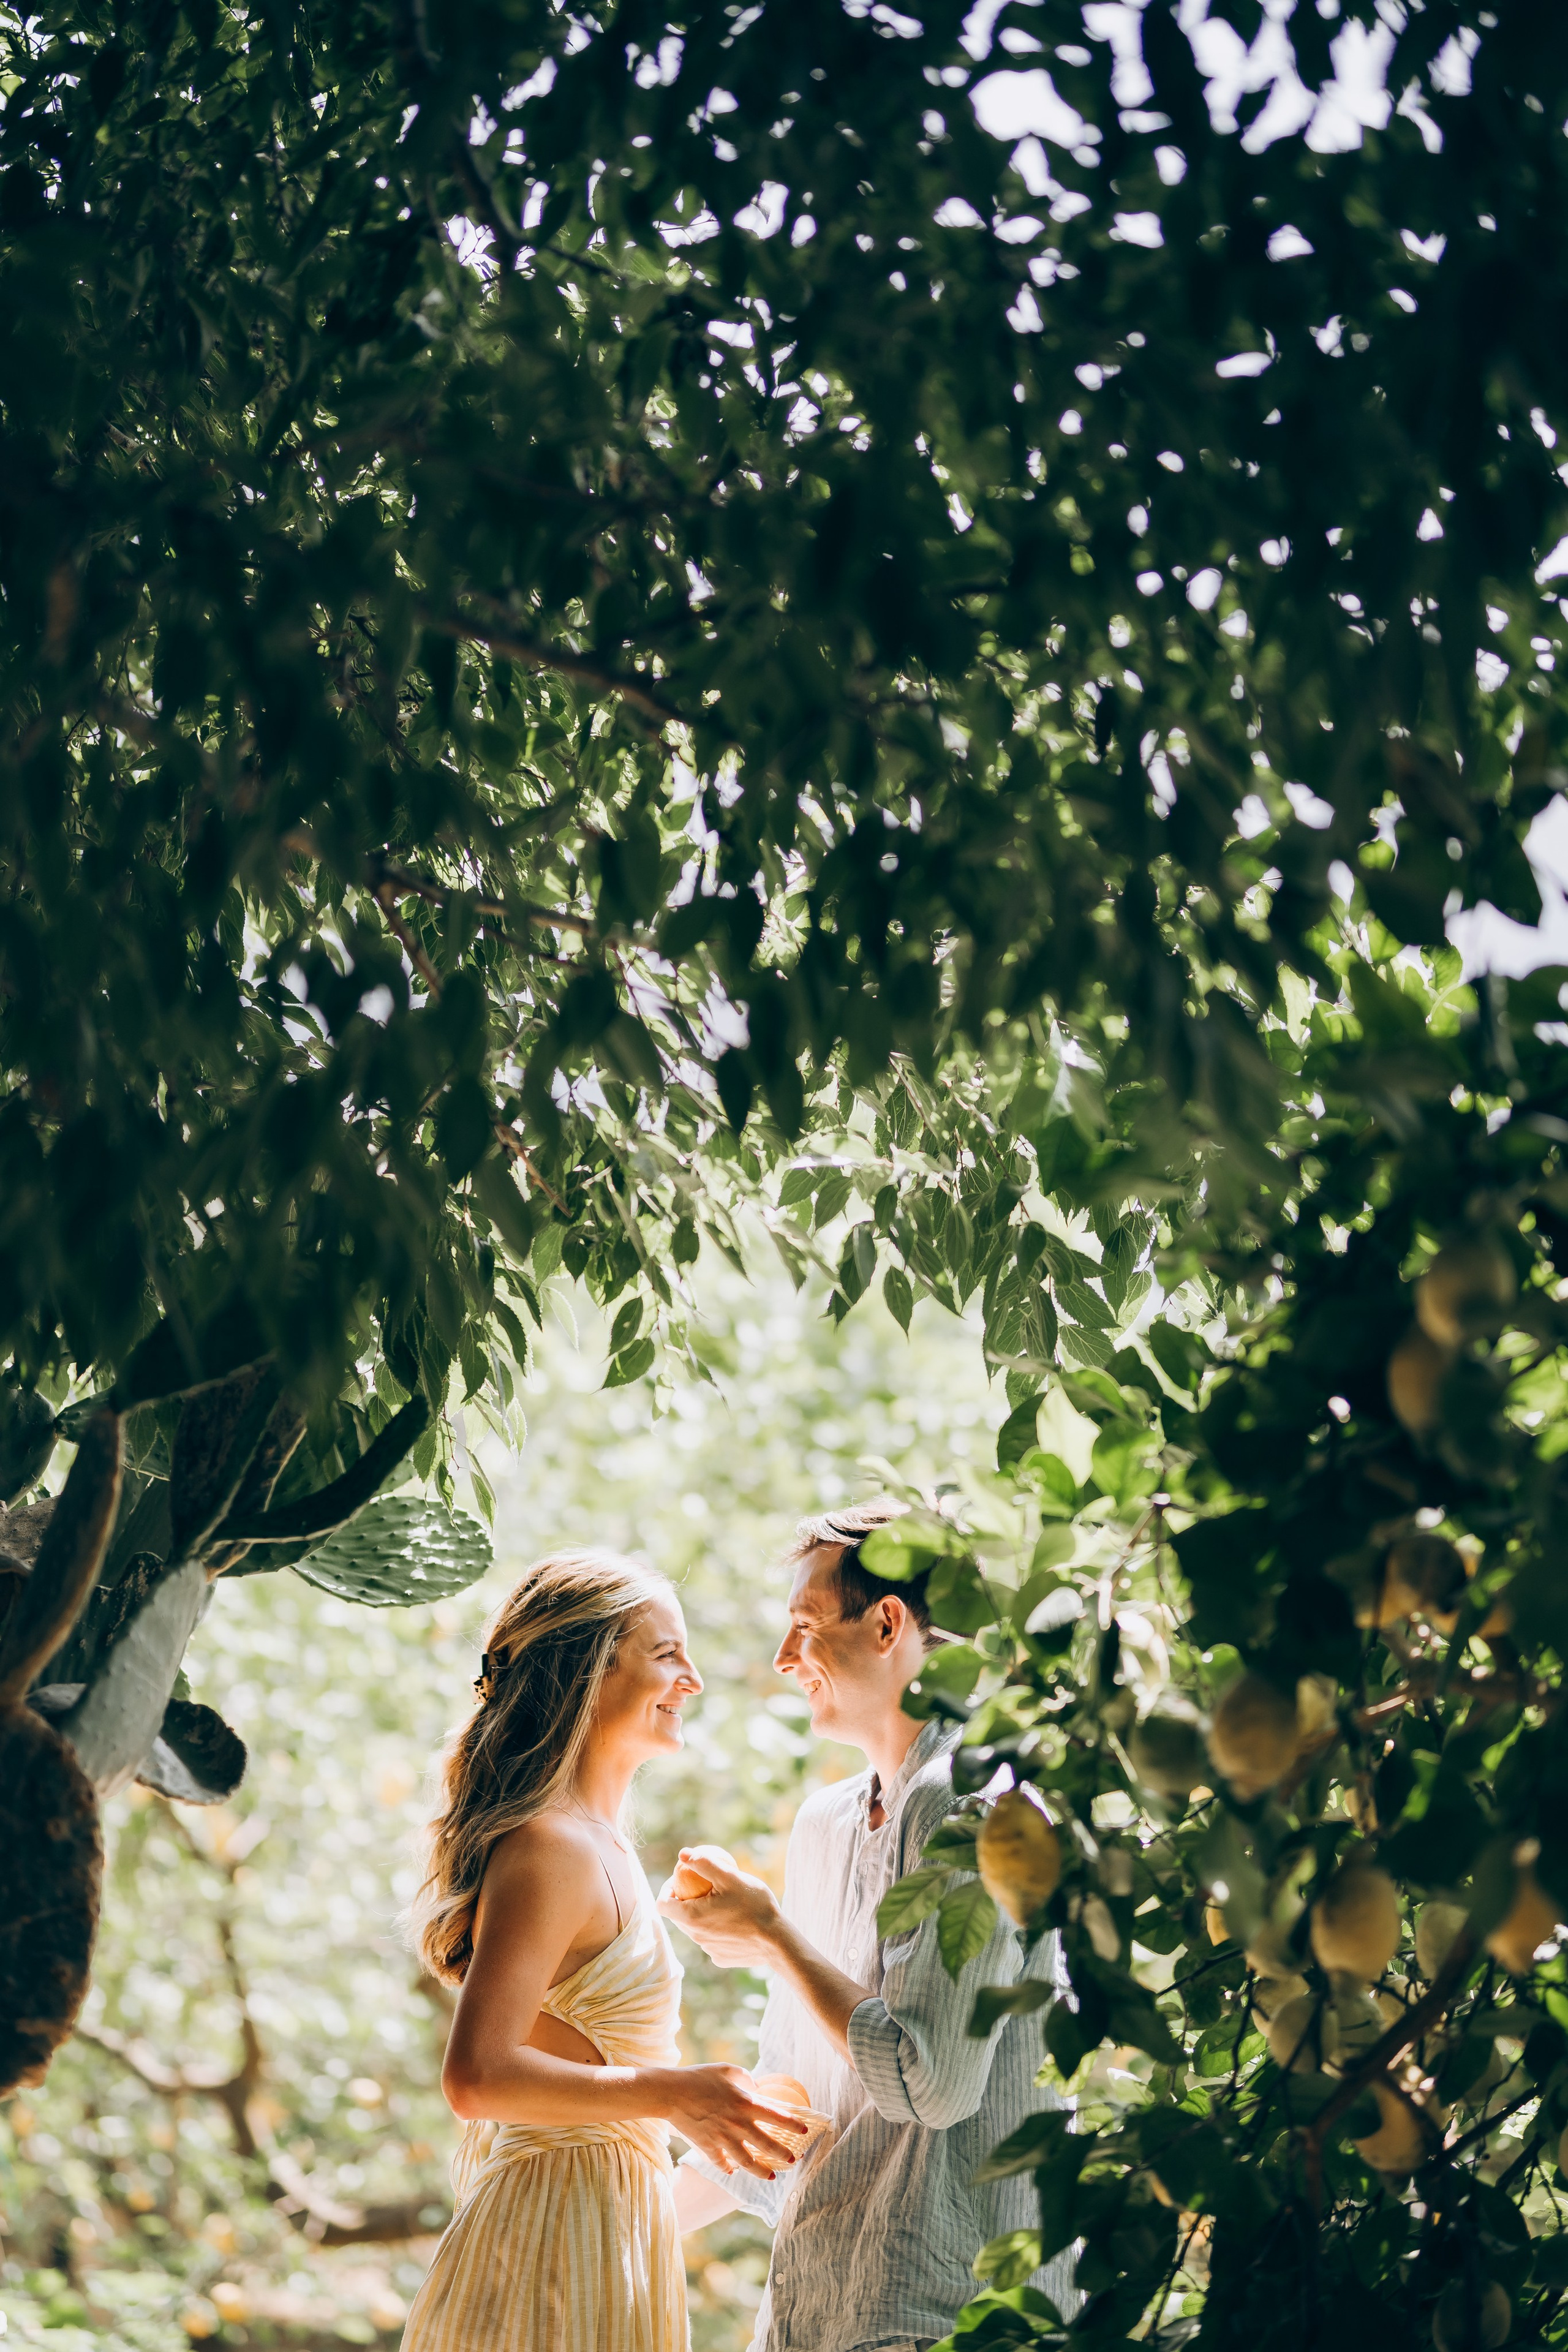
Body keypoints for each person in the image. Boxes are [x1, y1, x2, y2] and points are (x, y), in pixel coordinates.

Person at [662, 1501, 1072, 2352]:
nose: (783, 1660)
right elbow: (791, 2105)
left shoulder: (980, 1806)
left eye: (804, 1625)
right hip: (818, 2309)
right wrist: (623, 2230)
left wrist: (775, 1937)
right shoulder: (824, 1824)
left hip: (950, 2316)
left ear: (889, 1623)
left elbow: (930, 2083)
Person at [403, 1549, 802, 2352]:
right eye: (667, 1654)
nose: (692, 1679)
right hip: (549, 2235)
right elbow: (477, 2076)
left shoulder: (598, 1844)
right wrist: (675, 2095)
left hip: (601, 2224)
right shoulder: (551, 1847)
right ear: (588, 1668)